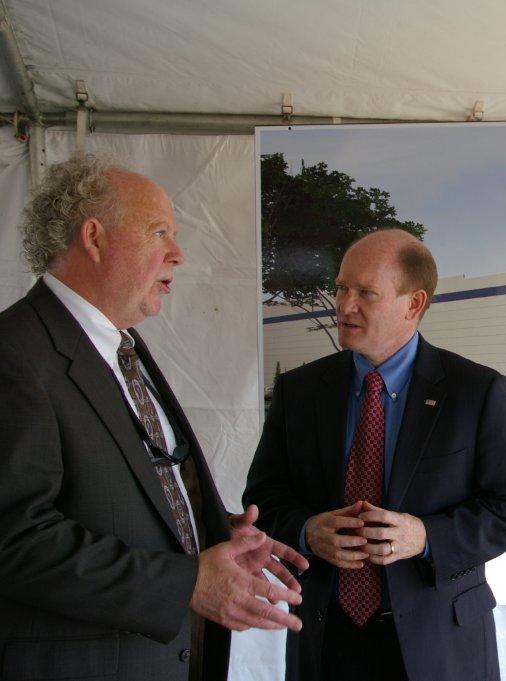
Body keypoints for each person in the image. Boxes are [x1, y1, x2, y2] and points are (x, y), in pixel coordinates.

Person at [0, 155, 308, 681]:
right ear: (93, 237)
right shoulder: (15, 352)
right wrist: (184, 581)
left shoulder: (123, 345)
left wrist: (208, 532)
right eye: (159, 232)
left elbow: (129, 487)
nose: (178, 253)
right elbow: (14, 537)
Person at [244, 229, 506, 681]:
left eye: (365, 292)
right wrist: (306, 531)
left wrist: (425, 537)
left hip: (440, 643)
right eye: (342, 288)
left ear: (413, 304)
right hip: (326, 641)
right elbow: (264, 497)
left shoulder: (475, 391)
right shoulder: (299, 391)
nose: (344, 305)